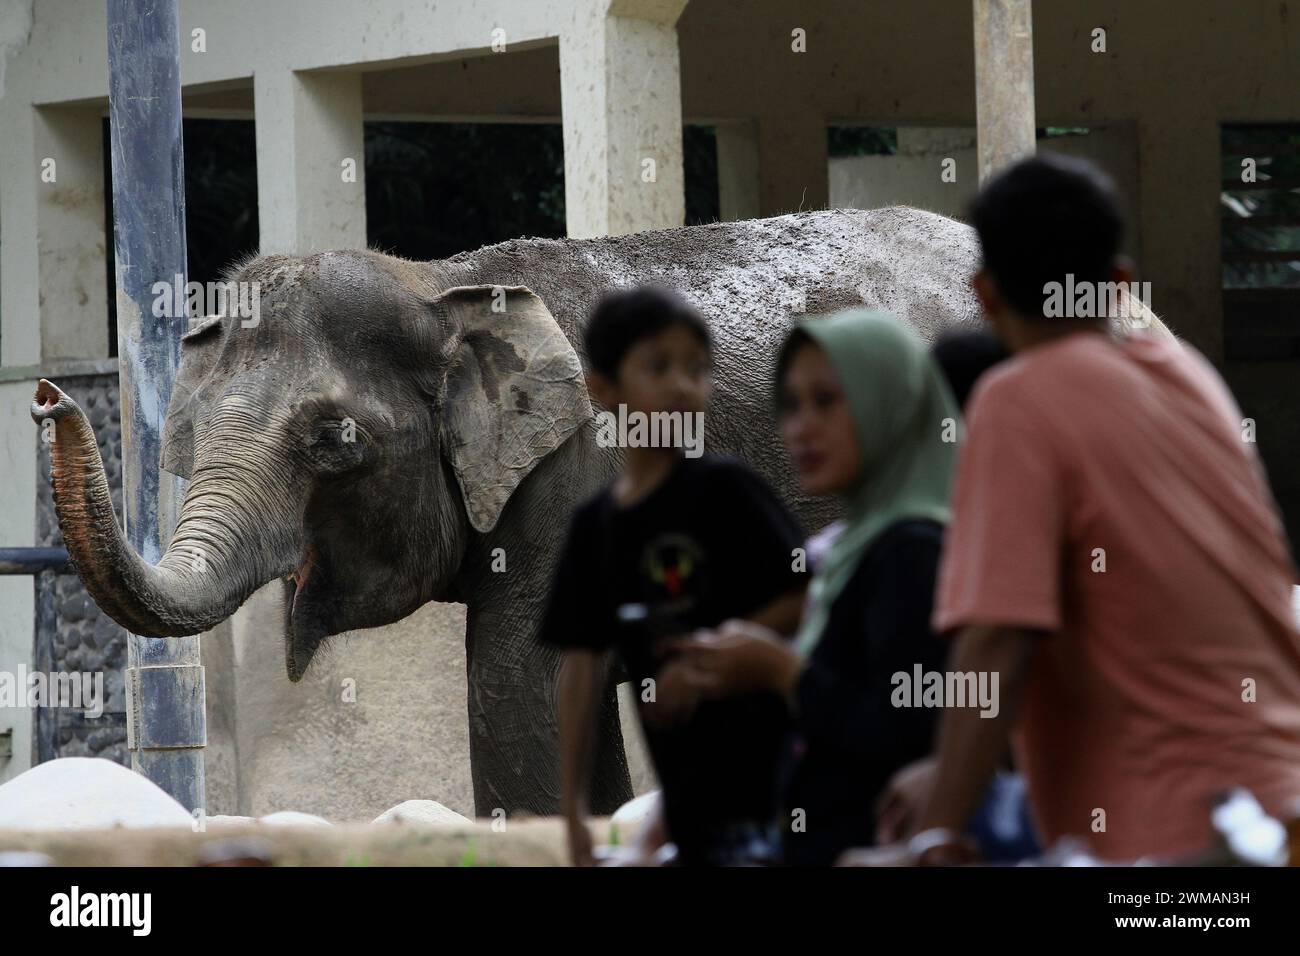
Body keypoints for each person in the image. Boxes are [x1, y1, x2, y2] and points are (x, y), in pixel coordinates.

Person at [874, 154, 1300, 864]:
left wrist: (936, 836)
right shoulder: (1189, 376)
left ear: (983, 293)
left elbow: (996, 644)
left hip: (1180, 845)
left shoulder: (1016, 401)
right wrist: (948, 778)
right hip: (1277, 808)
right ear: (1121, 285)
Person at [671, 308, 958, 866]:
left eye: (827, 401)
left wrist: (778, 670)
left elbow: (907, 734)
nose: (801, 427)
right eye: (792, 405)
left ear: (890, 406)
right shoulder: (861, 545)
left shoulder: (911, 551)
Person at [541, 286, 808, 867]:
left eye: (698, 368)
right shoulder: (595, 528)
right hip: (691, 814)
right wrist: (571, 813)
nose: (685, 385)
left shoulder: (728, 492)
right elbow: (580, 668)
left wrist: (710, 660)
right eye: (659, 367)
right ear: (602, 390)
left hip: (778, 800)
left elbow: (806, 598)